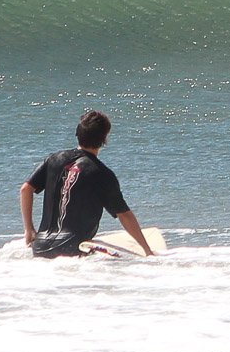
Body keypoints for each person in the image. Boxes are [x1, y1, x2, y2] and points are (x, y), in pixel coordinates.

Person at [19, 110, 154, 258]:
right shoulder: (102, 173)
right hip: (74, 249)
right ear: (104, 139)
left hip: (40, 247)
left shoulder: (53, 159)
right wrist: (147, 251)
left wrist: (29, 230)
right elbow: (124, 215)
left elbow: (26, 190)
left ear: (78, 133)